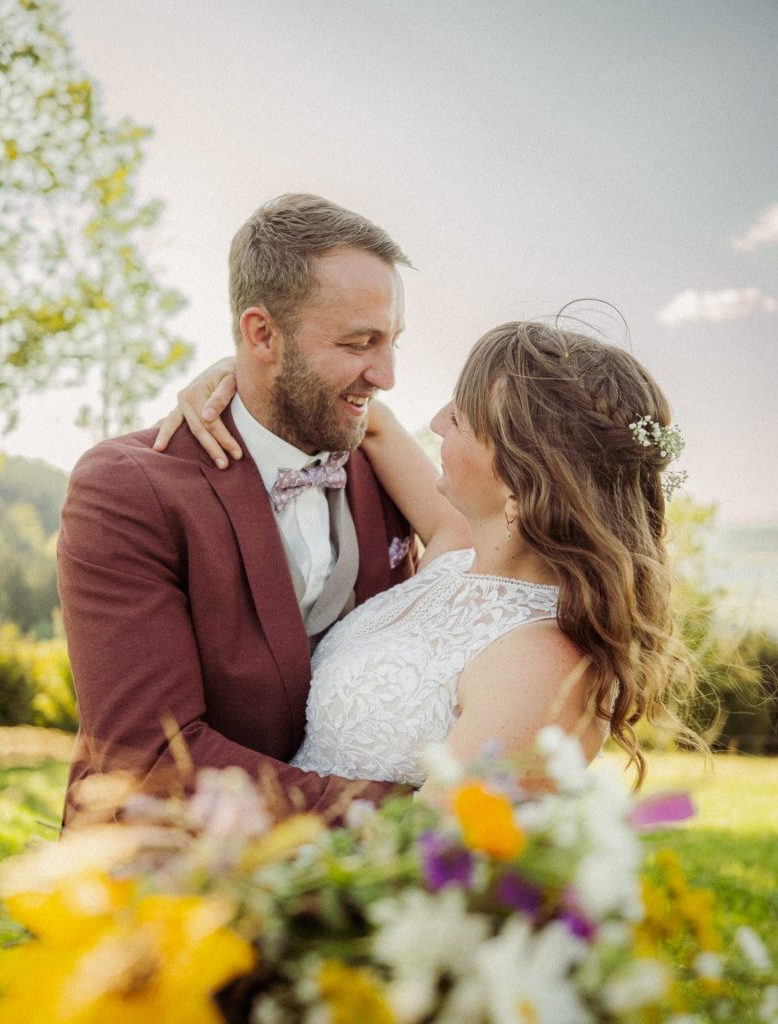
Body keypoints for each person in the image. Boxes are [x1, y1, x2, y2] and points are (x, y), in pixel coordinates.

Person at [163, 318, 691, 794]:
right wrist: (240, 373)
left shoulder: (542, 662)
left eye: (462, 417)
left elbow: (431, 855)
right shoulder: (458, 554)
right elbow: (377, 425)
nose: (438, 421)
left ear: (520, 484)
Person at [57, 193, 428, 826]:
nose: (387, 374)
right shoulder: (126, 489)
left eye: (392, 341)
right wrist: (407, 821)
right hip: (169, 881)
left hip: (349, 895)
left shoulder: (387, 472)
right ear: (261, 334)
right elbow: (150, 758)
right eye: (359, 342)